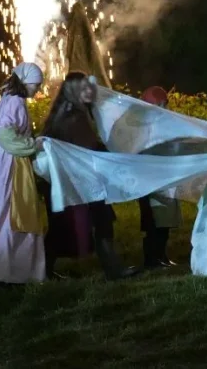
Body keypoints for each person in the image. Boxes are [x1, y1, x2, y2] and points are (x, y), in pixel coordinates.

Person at [40, 71, 139, 281]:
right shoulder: (74, 118)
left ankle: (44, 270)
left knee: (64, 226)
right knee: (99, 222)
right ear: (73, 91)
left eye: (88, 86)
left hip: (72, 179)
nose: (89, 91)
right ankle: (113, 270)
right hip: (81, 180)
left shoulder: (69, 113)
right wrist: (115, 156)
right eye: (83, 88)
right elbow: (88, 149)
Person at [0, 62, 48, 290]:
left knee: (2, 215)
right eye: (36, 85)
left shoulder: (8, 99)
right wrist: (34, 145)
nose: (38, 89)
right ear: (26, 82)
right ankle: (7, 274)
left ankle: (5, 272)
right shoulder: (15, 102)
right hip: (5, 162)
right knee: (10, 215)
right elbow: (7, 137)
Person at [137, 86, 182, 269]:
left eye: (165, 104)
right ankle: (152, 258)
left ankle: (161, 255)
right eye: (161, 104)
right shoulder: (143, 127)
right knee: (154, 221)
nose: (164, 108)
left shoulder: (165, 124)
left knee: (165, 220)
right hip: (150, 180)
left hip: (165, 178)